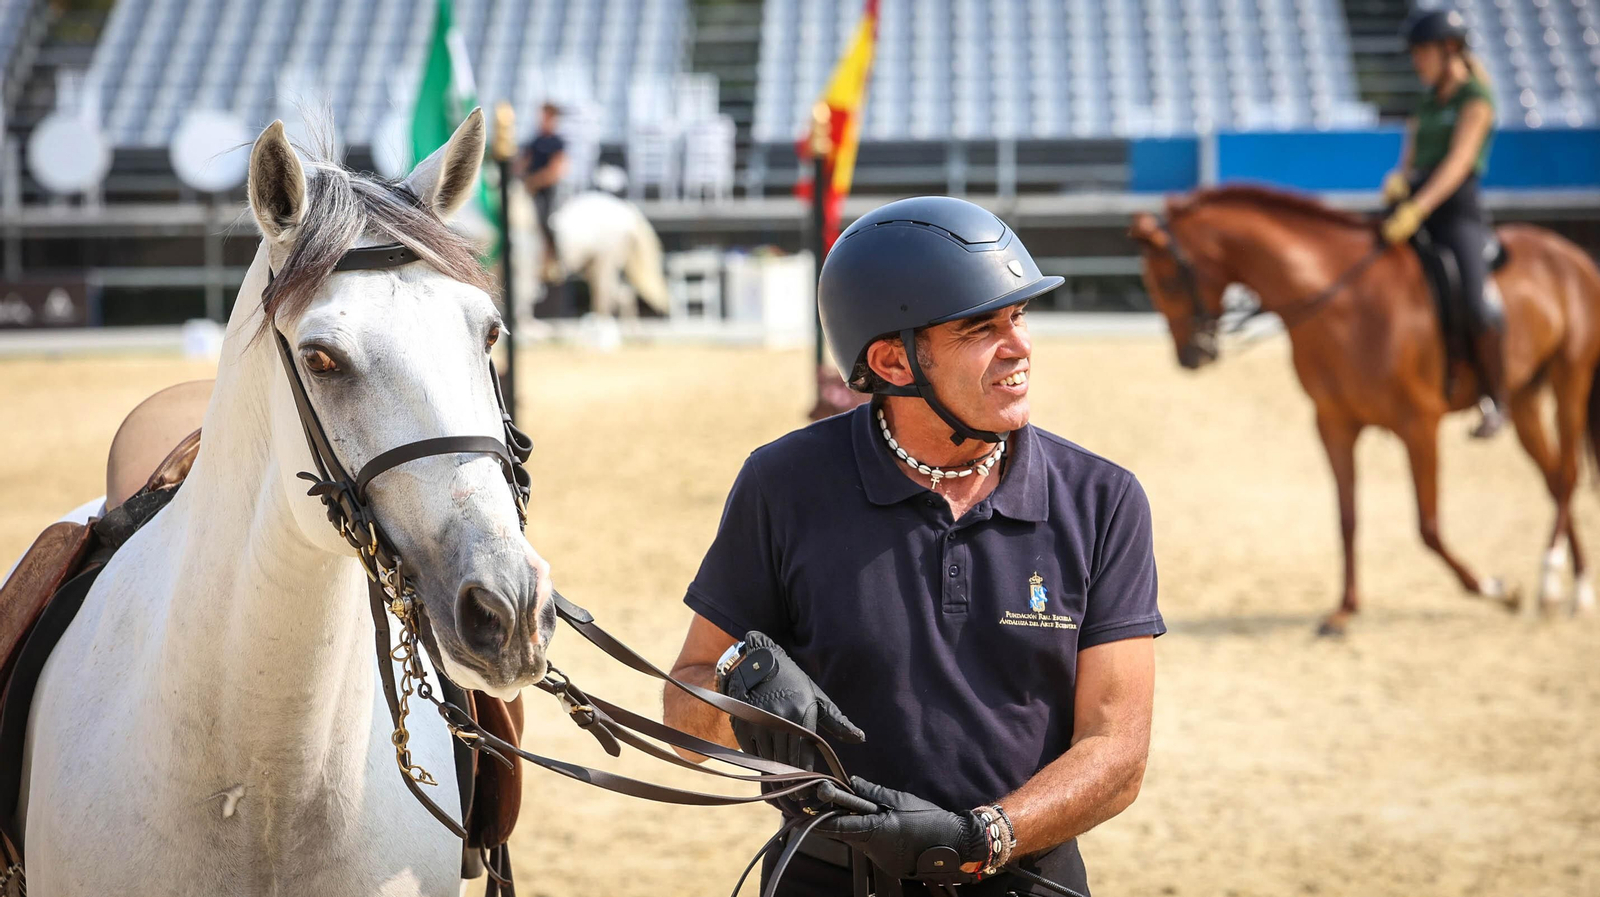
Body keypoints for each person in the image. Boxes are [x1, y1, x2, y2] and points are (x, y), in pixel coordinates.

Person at [664, 196, 1164, 897]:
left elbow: (1117, 752)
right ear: (894, 360)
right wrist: (740, 694)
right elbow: (686, 716)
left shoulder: (1103, 500)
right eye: (981, 327)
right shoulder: (782, 485)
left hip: (1028, 879)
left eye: (1018, 316)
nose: (1019, 346)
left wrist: (980, 838)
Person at [1380, 8, 1504, 437]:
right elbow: (1411, 158)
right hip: (1418, 205)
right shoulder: (1427, 101)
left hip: (1457, 213)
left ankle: (1495, 397)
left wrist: (1419, 208)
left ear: (1449, 48)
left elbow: (1458, 164)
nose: (1417, 61)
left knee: (1474, 299)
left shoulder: (1477, 99)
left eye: (1422, 52)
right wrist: (1399, 184)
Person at [516, 102, 568, 282]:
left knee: (545, 221)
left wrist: (535, 181)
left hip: (545, 191)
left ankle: (554, 257)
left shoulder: (557, 143)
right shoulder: (536, 140)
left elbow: (556, 170)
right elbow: (524, 162)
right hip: (530, 187)